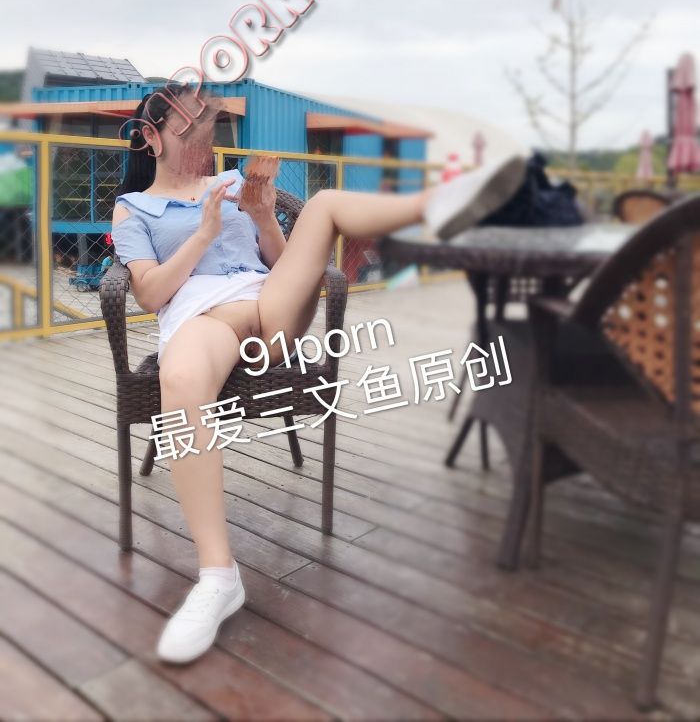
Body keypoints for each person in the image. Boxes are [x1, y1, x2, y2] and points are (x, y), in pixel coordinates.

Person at [110, 82, 526, 664]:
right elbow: (151, 293)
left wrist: (262, 217)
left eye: (208, 127)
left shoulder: (231, 184)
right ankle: (219, 577)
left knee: (325, 203)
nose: (203, 140)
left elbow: (287, 268)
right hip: (204, 319)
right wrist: (204, 232)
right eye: (189, 129)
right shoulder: (134, 207)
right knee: (179, 381)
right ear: (151, 137)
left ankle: (443, 204)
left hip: (270, 307)